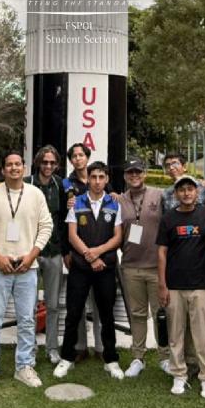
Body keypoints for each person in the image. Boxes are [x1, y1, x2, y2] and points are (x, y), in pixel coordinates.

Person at [0, 150, 54, 392]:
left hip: (27, 267)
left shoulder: (35, 194)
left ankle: (25, 366)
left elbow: (46, 226)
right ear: (3, 170)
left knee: (27, 320)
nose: (14, 168)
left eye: (18, 164)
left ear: (24, 168)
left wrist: (31, 256)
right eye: (9, 165)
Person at [53, 161, 124, 380]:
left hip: (105, 267)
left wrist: (98, 253)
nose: (97, 181)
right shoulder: (76, 202)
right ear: (89, 179)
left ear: (107, 179)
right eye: (93, 177)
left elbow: (118, 236)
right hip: (81, 268)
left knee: (106, 315)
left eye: (101, 177)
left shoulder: (114, 204)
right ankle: (67, 358)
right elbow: (72, 235)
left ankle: (111, 360)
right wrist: (89, 256)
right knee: (73, 313)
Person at [157, 175, 205, 400]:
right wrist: (162, 284)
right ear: (176, 194)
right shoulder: (169, 218)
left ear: (197, 192)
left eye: (190, 189)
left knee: (203, 335)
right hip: (174, 284)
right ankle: (179, 373)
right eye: (181, 190)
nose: (186, 193)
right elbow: (161, 252)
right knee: (176, 334)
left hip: (201, 284)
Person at [116, 156, 168, 377]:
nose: (134, 176)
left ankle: (165, 356)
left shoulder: (159, 195)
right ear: (125, 176)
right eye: (130, 172)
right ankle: (138, 357)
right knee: (136, 314)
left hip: (156, 266)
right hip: (131, 266)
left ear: (144, 173)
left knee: (161, 313)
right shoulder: (119, 200)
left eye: (138, 171)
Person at [25, 145, 70, 365]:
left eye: (52, 163)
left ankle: (52, 347)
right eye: (45, 162)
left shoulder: (61, 184)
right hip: (30, 252)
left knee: (52, 304)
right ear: (38, 163)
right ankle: (29, 348)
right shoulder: (26, 183)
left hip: (53, 251)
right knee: (29, 304)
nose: (48, 166)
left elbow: (66, 215)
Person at [61, 141, 104, 360]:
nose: (78, 159)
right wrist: (66, 251)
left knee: (99, 303)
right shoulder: (67, 183)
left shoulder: (98, 177)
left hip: (100, 251)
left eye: (81, 155)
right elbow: (62, 218)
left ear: (87, 157)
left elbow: (111, 205)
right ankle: (79, 347)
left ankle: (101, 347)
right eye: (74, 156)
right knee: (76, 303)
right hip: (77, 251)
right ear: (71, 160)